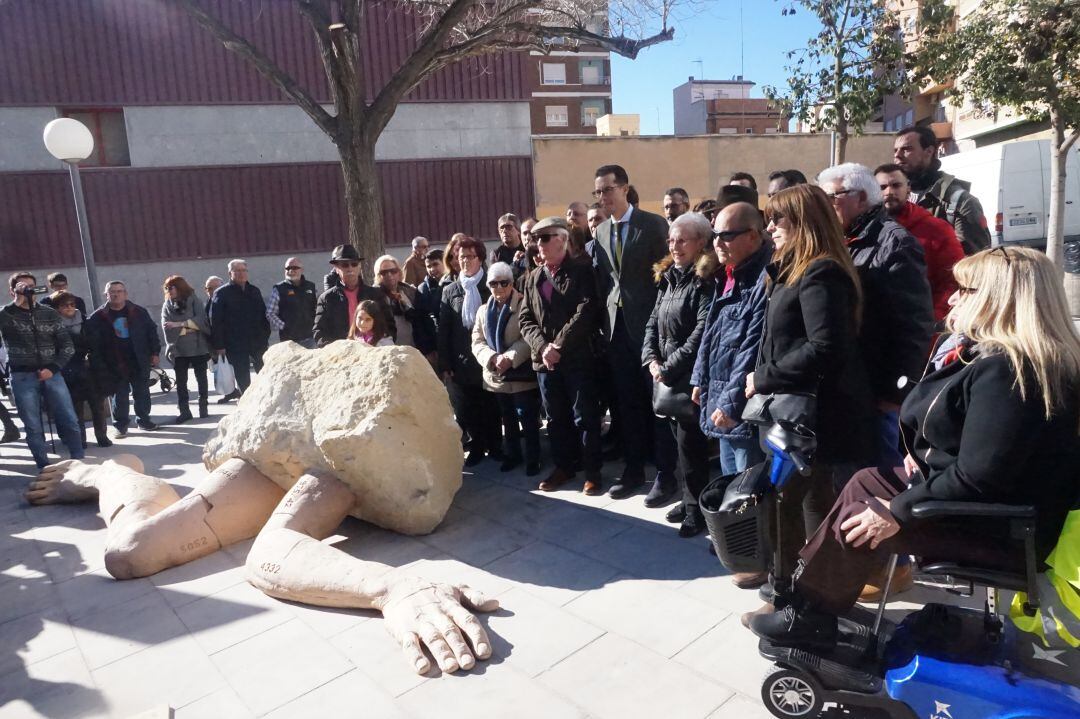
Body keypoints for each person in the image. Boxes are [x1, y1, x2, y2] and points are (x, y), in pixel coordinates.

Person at [750, 247, 1080, 648]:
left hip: (1002, 530)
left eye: (965, 290)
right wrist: (923, 458)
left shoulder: (1009, 370)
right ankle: (809, 596)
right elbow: (987, 449)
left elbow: (979, 476)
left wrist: (896, 512)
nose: (952, 298)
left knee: (860, 517)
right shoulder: (1007, 359)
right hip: (991, 510)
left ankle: (809, 619)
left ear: (1000, 299)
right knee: (866, 481)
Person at [744, 185, 877, 624]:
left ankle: (791, 600)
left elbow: (826, 347)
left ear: (803, 222)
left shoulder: (821, 272)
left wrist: (764, 377)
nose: (770, 228)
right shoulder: (792, 269)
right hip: (796, 415)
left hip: (816, 417)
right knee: (804, 503)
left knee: (789, 503)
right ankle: (808, 596)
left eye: (778, 219)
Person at [817, 163, 934, 469]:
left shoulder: (894, 241)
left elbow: (914, 324)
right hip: (850, 388)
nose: (826, 205)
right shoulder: (840, 240)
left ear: (860, 197)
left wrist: (894, 393)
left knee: (880, 477)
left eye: (833, 197)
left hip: (878, 392)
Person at [592, 163, 675, 499]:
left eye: (608, 190)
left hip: (649, 328)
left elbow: (667, 277)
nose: (603, 197)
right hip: (617, 332)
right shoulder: (600, 232)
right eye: (598, 192)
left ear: (625, 189)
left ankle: (666, 475)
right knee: (627, 404)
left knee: (658, 403)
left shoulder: (652, 225)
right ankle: (634, 470)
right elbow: (605, 282)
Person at [642, 213, 716, 537]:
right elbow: (652, 322)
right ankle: (689, 501)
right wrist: (650, 359)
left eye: (682, 240)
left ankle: (697, 510)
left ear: (701, 242)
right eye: (671, 240)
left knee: (692, 448)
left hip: (688, 378)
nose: (674, 246)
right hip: (666, 376)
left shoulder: (704, 280)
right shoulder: (670, 277)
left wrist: (668, 367)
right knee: (680, 445)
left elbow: (701, 332)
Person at [519, 218, 603, 494]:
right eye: (536, 239)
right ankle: (564, 467)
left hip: (576, 357)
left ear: (562, 239)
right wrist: (544, 348)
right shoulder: (532, 278)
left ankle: (592, 471)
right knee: (555, 418)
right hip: (545, 362)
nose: (538, 244)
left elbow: (586, 311)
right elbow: (525, 319)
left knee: (584, 417)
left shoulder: (582, 271)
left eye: (545, 238)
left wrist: (558, 346)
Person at [692, 203, 771, 476]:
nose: (717, 243)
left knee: (747, 487)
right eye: (715, 235)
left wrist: (730, 403)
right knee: (729, 484)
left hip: (742, 408)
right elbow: (711, 331)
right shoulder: (729, 273)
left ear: (753, 236)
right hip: (721, 396)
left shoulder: (764, 278)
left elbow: (753, 347)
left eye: (726, 235)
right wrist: (699, 378)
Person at [0, 273, 84, 468]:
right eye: (23, 286)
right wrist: (18, 300)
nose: (28, 290)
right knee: (32, 425)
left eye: (31, 286)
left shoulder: (49, 313)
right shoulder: (6, 314)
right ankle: (43, 466)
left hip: (52, 373)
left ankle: (78, 460)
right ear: (12, 290)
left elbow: (67, 346)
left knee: (68, 418)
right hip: (22, 376)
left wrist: (53, 368)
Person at [471, 262, 542, 476]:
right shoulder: (483, 310)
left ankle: (533, 458)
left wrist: (509, 358)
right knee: (507, 418)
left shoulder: (524, 304)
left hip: (520, 372)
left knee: (527, 417)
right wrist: (492, 357)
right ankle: (513, 455)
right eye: (494, 283)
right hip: (497, 375)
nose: (499, 288)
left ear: (512, 283)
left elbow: (529, 336)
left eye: (504, 283)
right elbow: (477, 340)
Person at [438, 236, 501, 467]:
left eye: (470, 256)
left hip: (488, 356)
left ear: (480, 258)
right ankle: (476, 447)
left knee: (491, 404)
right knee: (468, 408)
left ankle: (496, 445)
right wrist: (446, 364)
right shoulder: (450, 290)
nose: (465, 261)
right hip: (462, 359)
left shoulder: (493, 285)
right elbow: (444, 329)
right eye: (461, 257)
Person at [875, 163, 964, 323]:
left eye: (896, 185)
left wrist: (932, 320)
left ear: (908, 188)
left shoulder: (936, 229)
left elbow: (953, 279)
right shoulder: (864, 229)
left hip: (920, 325)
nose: (889, 192)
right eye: (882, 187)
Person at [893, 125, 991, 255]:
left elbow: (972, 260)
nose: (897, 155)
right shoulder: (891, 197)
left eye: (907, 149)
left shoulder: (960, 201)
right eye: (895, 150)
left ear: (929, 151)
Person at [86, 281, 161, 434]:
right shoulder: (98, 317)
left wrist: (155, 352)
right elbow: (92, 344)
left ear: (125, 294)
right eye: (112, 292)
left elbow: (151, 332)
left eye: (119, 291)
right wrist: (99, 364)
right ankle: (120, 426)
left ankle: (144, 420)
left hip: (138, 359)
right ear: (106, 295)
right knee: (119, 396)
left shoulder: (138, 312)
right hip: (114, 363)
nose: (116, 294)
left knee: (142, 392)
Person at [51, 291, 111, 449]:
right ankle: (81, 439)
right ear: (57, 308)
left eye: (72, 304)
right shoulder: (54, 325)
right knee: (76, 408)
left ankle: (102, 436)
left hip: (90, 369)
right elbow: (57, 348)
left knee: (97, 406)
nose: (69, 308)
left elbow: (96, 342)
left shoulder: (85, 320)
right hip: (69, 370)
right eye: (65, 305)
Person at [209, 259, 270, 401]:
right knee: (243, 377)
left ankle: (265, 401)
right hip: (234, 343)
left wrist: (264, 335)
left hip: (257, 341)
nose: (241, 274)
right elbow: (216, 321)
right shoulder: (221, 293)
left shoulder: (254, 291)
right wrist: (219, 345)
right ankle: (247, 403)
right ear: (230, 273)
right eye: (237, 271)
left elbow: (263, 315)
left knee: (264, 373)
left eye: (244, 270)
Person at [313, 245, 390, 348]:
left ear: (359, 267)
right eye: (345, 265)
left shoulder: (375, 294)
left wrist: (379, 345)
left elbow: (389, 325)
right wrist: (333, 349)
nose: (350, 268)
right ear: (336, 268)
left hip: (374, 350)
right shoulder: (326, 298)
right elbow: (319, 331)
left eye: (354, 264)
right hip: (341, 353)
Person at [161, 276, 212, 422]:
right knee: (181, 382)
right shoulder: (167, 305)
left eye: (171, 287)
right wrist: (189, 327)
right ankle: (184, 411)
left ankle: (203, 406)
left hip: (198, 346)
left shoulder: (194, 300)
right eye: (166, 288)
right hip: (178, 348)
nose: (169, 290)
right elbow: (167, 326)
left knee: (201, 378)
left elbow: (201, 320)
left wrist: (179, 324)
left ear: (180, 287)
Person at [373, 254, 435, 357]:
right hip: (388, 350)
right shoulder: (374, 295)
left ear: (399, 272)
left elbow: (421, 319)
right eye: (384, 272)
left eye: (393, 271)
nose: (389, 275)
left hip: (414, 348)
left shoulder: (410, 292)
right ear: (378, 275)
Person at [266, 257, 318, 349]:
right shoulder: (279, 289)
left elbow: (318, 309)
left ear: (302, 270)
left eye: (294, 268)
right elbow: (270, 313)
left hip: (311, 338)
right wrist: (284, 326)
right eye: (288, 268)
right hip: (289, 341)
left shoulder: (311, 287)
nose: (290, 270)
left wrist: (316, 325)